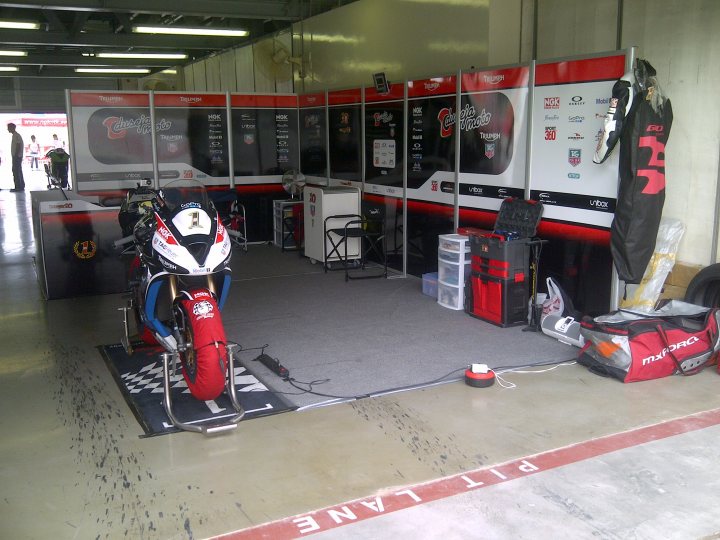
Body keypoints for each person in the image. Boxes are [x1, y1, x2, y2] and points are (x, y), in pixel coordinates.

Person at [7, 123, 25, 192]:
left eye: (8, 128)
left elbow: (18, 145)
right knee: (18, 170)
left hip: (17, 157)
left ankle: (18, 187)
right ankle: (21, 186)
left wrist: (16, 156)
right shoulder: (15, 135)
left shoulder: (16, 136)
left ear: (12, 128)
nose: (7, 129)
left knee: (16, 171)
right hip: (17, 156)